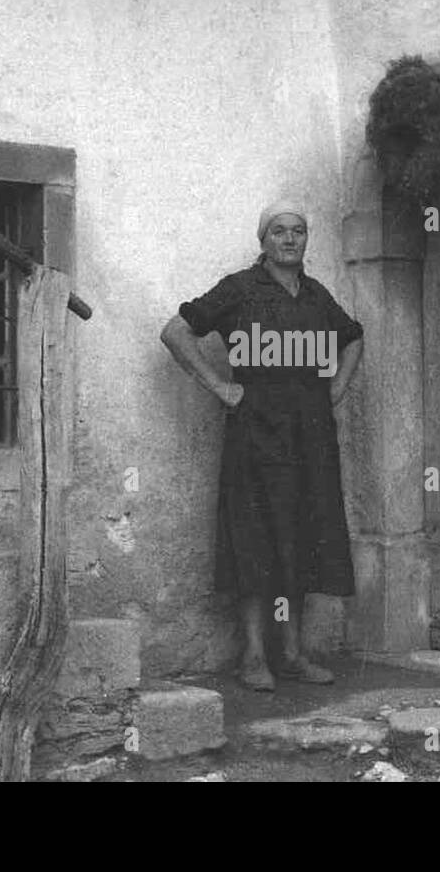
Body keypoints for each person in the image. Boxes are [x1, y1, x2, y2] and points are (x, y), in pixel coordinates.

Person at [160, 200, 364, 691]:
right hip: (255, 434)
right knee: (253, 540)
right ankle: (253, 656)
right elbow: (176, 331)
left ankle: (292, 653)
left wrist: (334, 389)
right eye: (279, 231)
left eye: (298, 231)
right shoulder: (240, 289)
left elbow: (353, 338)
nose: (290, 239)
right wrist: (221, 387)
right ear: (263, 240)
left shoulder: (316, 296)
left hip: (309, 436)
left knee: (300, 535)